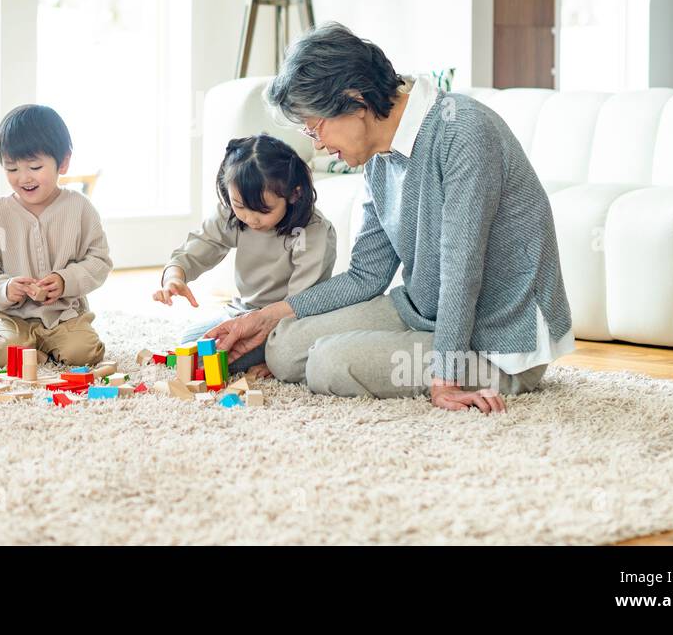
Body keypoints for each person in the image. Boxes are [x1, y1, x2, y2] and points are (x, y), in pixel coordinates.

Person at [207, 22, 574, 414]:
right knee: (284, 347)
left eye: (316, 128)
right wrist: (266, 316)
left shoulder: (463, 131)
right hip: (423, 310)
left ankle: (481, 372)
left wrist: (446, 379)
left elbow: (461, 270)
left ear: (355, 101)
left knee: (330, 363)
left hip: (501, 340)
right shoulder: (378, 158)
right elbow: (367, 274)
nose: (321, 146)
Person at [154, 133, 335, 377]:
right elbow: (200, 245)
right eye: (240, 206)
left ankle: (277, 357)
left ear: (295, 194)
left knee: (223, 357)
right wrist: (175, 277)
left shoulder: (313, 232)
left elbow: (302, 303)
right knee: (191, 343)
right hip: (244, 311)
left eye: (263, 210)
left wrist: (275, 351)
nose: (250, 218)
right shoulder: (232, 214)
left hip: (287, 320)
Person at [0, 105, 111, 368]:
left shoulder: (80, 209)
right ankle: (37, 351)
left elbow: (99, 261)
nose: (23, 178)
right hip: (16, 316)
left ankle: (40, 352)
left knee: (84, 354)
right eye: (11, 168)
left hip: (65, 314)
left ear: (64, 162)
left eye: (34, 166)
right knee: (0, 355)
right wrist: (5, 287)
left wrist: (65, 280)